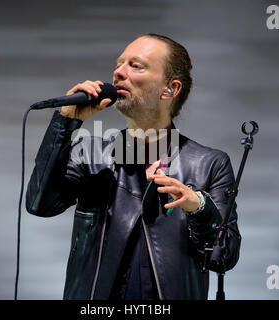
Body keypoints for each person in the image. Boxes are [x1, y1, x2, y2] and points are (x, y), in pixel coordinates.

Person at [26, 33, 241, 300]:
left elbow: (224, 257)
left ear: (170, 89)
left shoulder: (209, 164)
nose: (118, 72)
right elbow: (40, 204)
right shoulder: (92, 153)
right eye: (119, 63)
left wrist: (198, 207)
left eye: (135, 66)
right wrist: (65, 123)